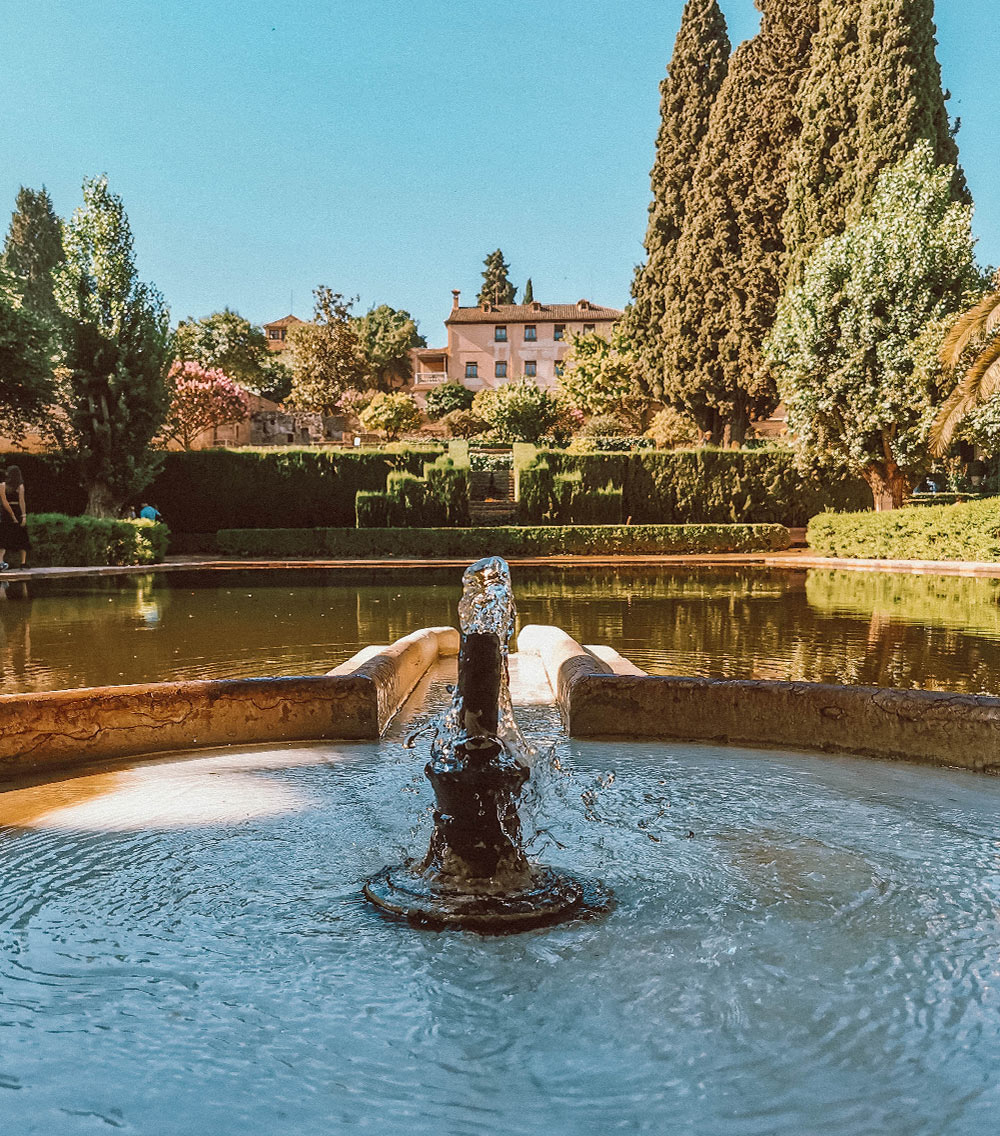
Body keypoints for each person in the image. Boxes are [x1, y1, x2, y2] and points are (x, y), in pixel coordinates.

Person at [0, 465, 30, 571]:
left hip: (6, 511)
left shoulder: (4, 485)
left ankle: (1, 561)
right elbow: (21, 501)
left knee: (5, 536)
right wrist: (21, 516)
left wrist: (20, 516)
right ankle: (23, 562)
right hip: (14, 510)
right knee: (19, 535)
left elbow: (5, 502)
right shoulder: (19, 486)